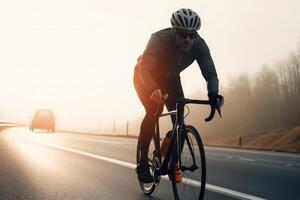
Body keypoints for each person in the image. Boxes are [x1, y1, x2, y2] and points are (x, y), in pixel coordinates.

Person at [134, 8, 221, 183]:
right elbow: (144, 69)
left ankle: (172, 161)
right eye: (183, 35)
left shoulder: (199, 45)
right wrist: (152, 88)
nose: (188, 39)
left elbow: (210, 73)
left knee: (179, 121)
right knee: (153, 111)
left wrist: (213, 94)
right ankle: (143, 163)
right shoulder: (158, 39)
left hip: (171, 79)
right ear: (174, 32)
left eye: (192, 35)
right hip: (146, 76)